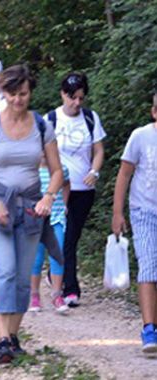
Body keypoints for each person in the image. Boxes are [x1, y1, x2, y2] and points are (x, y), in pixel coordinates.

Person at [0, 64, 63, 364]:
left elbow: (57, 171)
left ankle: (13, 336)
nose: (18, 100)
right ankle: (1, 339)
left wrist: (49, 197)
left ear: (30, 92)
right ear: (3, 93)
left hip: (30, 208)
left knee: (23, 277)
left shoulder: (41, 126)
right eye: (12, 94)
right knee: (5, 270)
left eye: (23, 94)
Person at [45, 72, 106, 307]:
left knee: (72, 237)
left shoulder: (90, 118)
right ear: (63, 94)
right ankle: (70, 288)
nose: (76, 103)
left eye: (81, 98)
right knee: (63, 237)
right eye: (72, 98)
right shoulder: (50, 119)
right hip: (57, 188)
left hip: (83, 188)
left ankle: (58, 276)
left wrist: (95, 171)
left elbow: (98, 149)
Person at [112, 91, 157, 354]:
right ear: (154, 112)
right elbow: (125, 173)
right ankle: (149, 328)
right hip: (144, 211)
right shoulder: (141, 137)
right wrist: (118, 213)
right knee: (149, 266)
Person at [29, 158, 70, 314]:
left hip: (57, 218)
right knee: (36, 259)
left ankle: (57, 295)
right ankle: (34, 295)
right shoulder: (31, 171)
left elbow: (67, 184)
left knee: (57, 256)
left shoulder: (61, 170)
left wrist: (64, 204)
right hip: (36, 220)